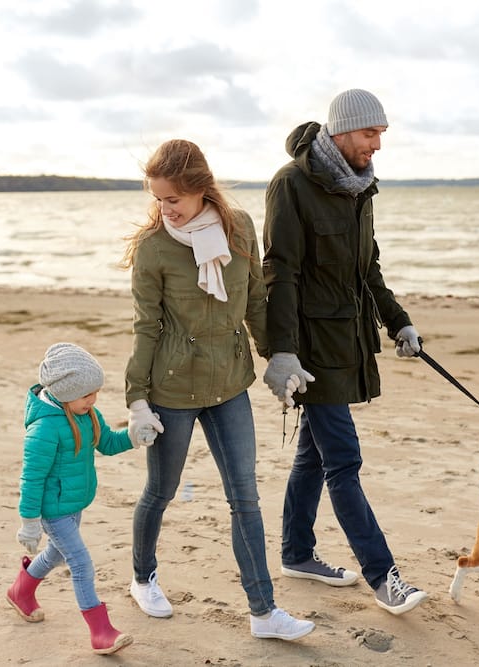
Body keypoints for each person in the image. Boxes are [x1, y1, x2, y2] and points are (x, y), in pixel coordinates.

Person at [121, 139, 315, 641]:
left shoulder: (239, 226)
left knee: (244, 497)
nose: (167, 209)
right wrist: (137, 400)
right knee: (160, 492)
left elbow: (254, 301)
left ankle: (264, 612)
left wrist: (277, 356)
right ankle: (143, 578)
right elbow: (146, 327)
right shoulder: (153, 248)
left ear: (200, 188)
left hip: (229, 382)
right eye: (159, 200)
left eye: (174, 199)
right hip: (171, 388)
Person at [261, 89, 428, 616]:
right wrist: (281, 353)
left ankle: (296, 553)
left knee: (314, 455)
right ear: (340, 132)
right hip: (311, 350)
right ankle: (385, 577)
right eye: (368, 134)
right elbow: (279, 271)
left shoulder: (361, 188)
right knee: (344, 460)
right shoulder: (292, 185)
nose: (376, 145)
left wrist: (398, 322)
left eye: (381, 135)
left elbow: (367, 269)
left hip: (348, 342)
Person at [7, 342, 154, 655]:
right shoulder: (44, 429)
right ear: (63, 392)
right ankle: (100, 630)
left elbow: (107, 443)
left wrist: (133, 436)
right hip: (52, 509)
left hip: (73, 503)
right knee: (81, 563)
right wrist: (29, 522)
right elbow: (31, 479)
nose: (94, 399)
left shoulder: (86, 414)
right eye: (87, 394)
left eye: (95, 392)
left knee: (57, 554)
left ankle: (21, 590)